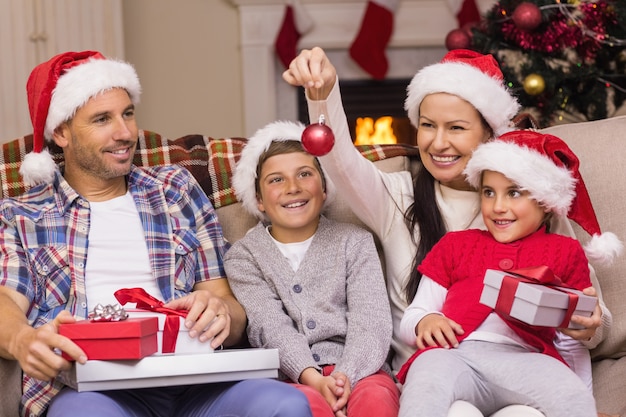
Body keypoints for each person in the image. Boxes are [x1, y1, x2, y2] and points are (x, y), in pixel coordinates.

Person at [283, 47, 612, 417]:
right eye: (427, 125)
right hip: (435, 383)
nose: (438, 143)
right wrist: (321, 93)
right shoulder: (397, 197)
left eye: (456, 127)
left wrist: (588, 327)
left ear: (490, 134)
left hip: (525, 378)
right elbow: (340, 162)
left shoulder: (535, 206)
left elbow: (589, 314)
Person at [0, 51, 313, 417]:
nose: (125, 133)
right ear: (61, 133)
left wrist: (221, 314)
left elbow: (226, 304)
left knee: (285, 405)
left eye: (128, 113)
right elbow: (7, 302)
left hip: (199, 384)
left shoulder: (176, 190)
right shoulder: (24, 215)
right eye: (102, 119)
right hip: (94, 392)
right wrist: (24, 340)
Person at [396, 130, 622, 417]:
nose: (498, 207)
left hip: (527, 361)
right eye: (488, 192)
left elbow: (572, 342)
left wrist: (582, 397)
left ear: (544, 201)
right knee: (427, 375)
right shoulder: (457, 244)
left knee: (566, 392)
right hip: (457, 356)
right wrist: (424, 321)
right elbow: (415, 314)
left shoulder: (564, 251)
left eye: (514, 192)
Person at [223, 120, 400, 417]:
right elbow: (270, 327)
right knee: (307, 408)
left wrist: (344, 377)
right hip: (293, 377)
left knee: (376, 403)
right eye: (276, 180)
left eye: (304, 174)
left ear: (324, 188)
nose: (293, 188)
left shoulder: (355, 242)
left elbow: (371, 322)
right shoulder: (243, 256)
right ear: (258, 200)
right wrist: (313, 378)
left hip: (362, 370)